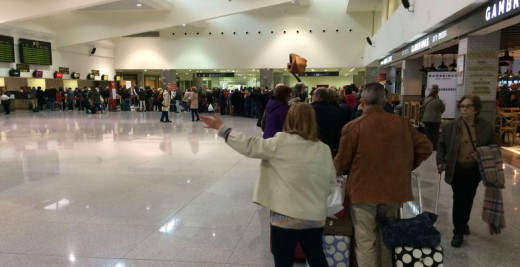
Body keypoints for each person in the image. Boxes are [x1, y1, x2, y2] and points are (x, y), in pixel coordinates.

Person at [200, 103, 336, 267]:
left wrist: (223, 129)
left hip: (284, 218)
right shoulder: (323, 149)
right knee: (316, 257)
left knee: (283, 261)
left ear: (289, 120)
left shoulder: (279, 143)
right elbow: (330, 184)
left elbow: (249, 145)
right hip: (315, 217)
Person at [334, 82, 432, 267]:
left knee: (365, 241)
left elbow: (342, 163)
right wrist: (406, 166)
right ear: (384, 100)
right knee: (388, 236)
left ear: (362, 101)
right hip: (393, 190)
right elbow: (425, 147)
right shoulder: (402, 124)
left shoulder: (353, 127)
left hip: (362, 192)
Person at [436, 94, 498, 248]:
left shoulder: (485, 127)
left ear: (476, 109)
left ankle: (464, 223)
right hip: (457, 169)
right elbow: (441, 145)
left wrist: (483, 152)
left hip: (475, 169)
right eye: (462, 106)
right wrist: (440, 161)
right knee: (459, 199)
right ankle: (458, 231)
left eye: (468, 106)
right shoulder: (451, 127)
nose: (464, 109)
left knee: (469, 198)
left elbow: (495, 146)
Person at [311, 87, 345, 156]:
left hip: (313, 146)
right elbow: (340, 129)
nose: (312, 97)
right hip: (330, 146)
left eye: (313, 95)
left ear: (318, 97)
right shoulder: (335, 110)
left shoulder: (310, 109)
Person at [421, 84, 445, 150]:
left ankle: (428, 146)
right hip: (436, 119)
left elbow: (422, 108)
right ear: (437, 92)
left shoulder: (426, 99)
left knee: (428, 132)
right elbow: (442, 110)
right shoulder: (439, 101)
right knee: (435, 133)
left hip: (426, 119)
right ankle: (434, 146)